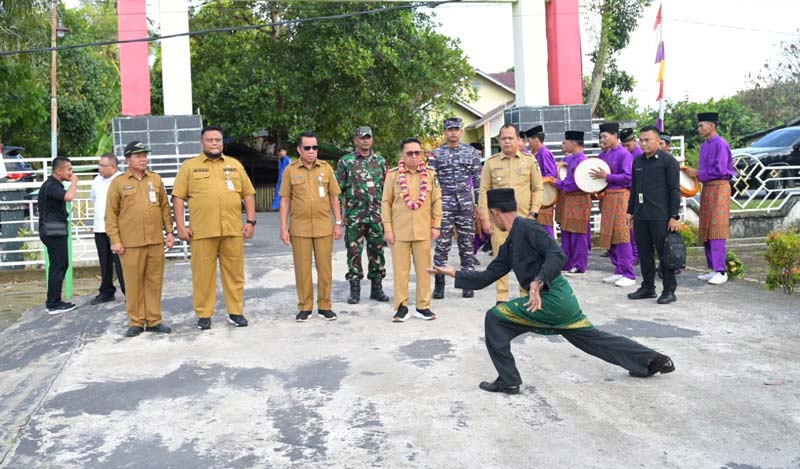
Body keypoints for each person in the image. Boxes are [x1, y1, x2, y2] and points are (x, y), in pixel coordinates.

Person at [429, 188, 675, 395]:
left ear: (494, 212)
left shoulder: (528, 228)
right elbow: (486, 277)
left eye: (488, 215)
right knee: (590, 339)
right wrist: (453, 273)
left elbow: (556, 254)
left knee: (495, 318)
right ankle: (651, 360)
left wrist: (537, 282)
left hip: (552, 297)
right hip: (559, 299)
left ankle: (508, 379)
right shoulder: (510, 243)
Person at [172, 126, 257, 330]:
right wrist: (181, 227)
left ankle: (236, 312)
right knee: (202, 276)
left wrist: (251, 221)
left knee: (235, 274)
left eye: (217, 140)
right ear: (202, 143)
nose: (214, 143)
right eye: (210, 140)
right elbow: (178, 197)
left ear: (222, 143)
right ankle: (204, 314)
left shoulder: (234, 165)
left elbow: (248, 193)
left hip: (232, 230)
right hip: (202, 231)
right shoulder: (189, 167)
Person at [106, 142, 175, 337]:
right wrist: (115, 239)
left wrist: (169, 232)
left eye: (145, 155)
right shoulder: (118, 183)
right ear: (128, 160)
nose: (143, 158)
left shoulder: (155, 179)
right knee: (133, 283)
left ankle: (154, 320)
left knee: (154, 282)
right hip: (130, 243)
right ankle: (136, 321)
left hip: (154, 241)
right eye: (138, 155)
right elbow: (111, 214)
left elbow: (164, 207)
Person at [280, 131, 344, 322]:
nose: (311, 151)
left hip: (324, 226)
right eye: (307, 147)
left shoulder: (326, 169)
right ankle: (305, 306)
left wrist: (338, 223)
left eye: (314, 147)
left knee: (325, 269)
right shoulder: (290, 170)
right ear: (299, 149)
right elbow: (285, 200)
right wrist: (284, 227)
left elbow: (334, 197)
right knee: (302, 269)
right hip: (300, 228)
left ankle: (325, 305)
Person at [479, 124, 543, 304]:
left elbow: (538, 188)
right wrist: (485, 218)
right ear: (499, 141)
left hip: (523, 220)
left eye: (510, 138)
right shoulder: (491, 163)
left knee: (525, 259)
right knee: (500, 259)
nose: (507, 141)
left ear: (518, 140)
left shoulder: (529, 161)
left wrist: (534, 213)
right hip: (498, 222)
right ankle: (502, 297)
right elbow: (483, 191)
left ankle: (525, 295)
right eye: (503, 138)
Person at [382, 138, 443, 322]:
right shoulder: (393, 175)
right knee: (401, 271)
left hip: (423, 230)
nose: (414, 156)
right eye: (410, 153)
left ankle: (423, 306)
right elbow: (386, 202)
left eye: (417, 152)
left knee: (425, 270)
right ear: (402, 155)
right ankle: (401, 307)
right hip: (399, 231)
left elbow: (437, 201)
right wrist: (388, 229)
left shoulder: (431, 174)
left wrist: (436, 225)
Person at [626, 126, 681, 304]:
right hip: (642, 215)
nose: (643, 143)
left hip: (661, 216)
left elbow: (674, 190)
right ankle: (648, 287)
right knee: (644, 253)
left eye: (647, 140)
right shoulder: (638, 162)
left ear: (658, 141)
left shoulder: (668, 162)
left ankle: (669, 290)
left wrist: (674, 216)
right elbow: (634, 189)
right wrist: (630, 211)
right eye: (641, 140)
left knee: (664, 254)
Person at [336, 126, 390, 305]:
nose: (365, 140)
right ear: (355, 140)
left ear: (372, 140)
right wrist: (340, 214)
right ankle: (355, 290)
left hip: (376, 216)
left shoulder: (381, 161)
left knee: (377, 252)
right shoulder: (346, 162)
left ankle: (377, 289)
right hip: (354, 216)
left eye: (368, 137)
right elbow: (338, 190)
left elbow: (387, 190)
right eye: (362, 138)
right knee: (354, 253)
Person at [429, 117, 482, 299]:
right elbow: (430, 182)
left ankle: (467, 284)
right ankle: (440, 284)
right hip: (443, 205)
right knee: (442, 245)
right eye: (450, 129)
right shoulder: (436, 154)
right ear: (445, 132)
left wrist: (479, 204)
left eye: (456, 129)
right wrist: (431, 208)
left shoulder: (471, 153)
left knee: (466, 244)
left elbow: (477, 180)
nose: (453, 132)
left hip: (465, 204)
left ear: (461, 131)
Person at [683, 112, 735, 285]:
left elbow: (720, 171)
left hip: (720, 188)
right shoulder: (705, 145)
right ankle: (713, 268)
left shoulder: (721, 144)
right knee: (706, 229)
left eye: (701, 126)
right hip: (708, 188)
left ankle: (721, 270)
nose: (699, 129)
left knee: (717, 228)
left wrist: (697, 173)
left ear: (712, 126)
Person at [591, 123, 636, 287]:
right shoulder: (603, 155)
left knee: (622, 235)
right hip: (608, 197)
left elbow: (628, 177)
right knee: (609, 235)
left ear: (615, 136)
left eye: (605, 136)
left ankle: (629, 274)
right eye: (601, 136)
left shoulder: (624, 154)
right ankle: (619, 270)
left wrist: (608, 177)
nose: (602, 139)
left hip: (621, 196)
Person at [38, 157, 79, 314]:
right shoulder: (51, 185)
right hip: (53, 230)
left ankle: (54, 301)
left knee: (61, 264)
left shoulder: (53, 185)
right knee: (58, 265)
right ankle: (53, 303)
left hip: (55, 229)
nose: (71, 172)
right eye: (69, 169)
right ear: (58, 170)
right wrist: (74, 182)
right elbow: (69, 197)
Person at [90, 153, 125, 305]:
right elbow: (94, 198)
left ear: (113, 167)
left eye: (103, 166)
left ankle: (129, 292)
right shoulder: (97, 180)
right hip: (99, 227)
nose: (100, 169)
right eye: (99, 165)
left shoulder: (121, 180)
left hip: (117, 229)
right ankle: (106, 291)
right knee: (104, 262)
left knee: (121, 262)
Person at [555, 131, 591, 275]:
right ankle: (567, 263)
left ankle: (579, 264)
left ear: (574, 143)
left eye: (566, 142)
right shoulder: (571, 159)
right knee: (568, 233)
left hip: (579, 199)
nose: (564, 144)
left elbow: (577, 183)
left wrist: (558, 184)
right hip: (569, 199)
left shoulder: (583, 160)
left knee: (579, 233)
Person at [525, 125, 558, 239]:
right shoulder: (534, 154)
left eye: (529, 141)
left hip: (545, 197)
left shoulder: (544, 153)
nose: (528, 144)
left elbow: (551, 176)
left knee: (545, 227)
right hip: (536, 195)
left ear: (536, 139)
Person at [620, 128, 642, 264]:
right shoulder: (626, 153)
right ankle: (634, 254)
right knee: (630, 226)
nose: (626, 148)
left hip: (638, 192)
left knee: (634, 227)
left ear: (634, 140)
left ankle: (636, 254)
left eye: (628, 145)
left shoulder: (639, 155)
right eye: (623, 146)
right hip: (630, 192)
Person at [271, 146, 290, 211]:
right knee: (277, 192)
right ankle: (275, 207)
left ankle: (286, 206)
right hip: (280, 179)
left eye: (283, 151)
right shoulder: (279, 160)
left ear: (286, 152)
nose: (281, 153)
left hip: (287, 178)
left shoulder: (288, 160)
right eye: (280, 151)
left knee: (286, 193)